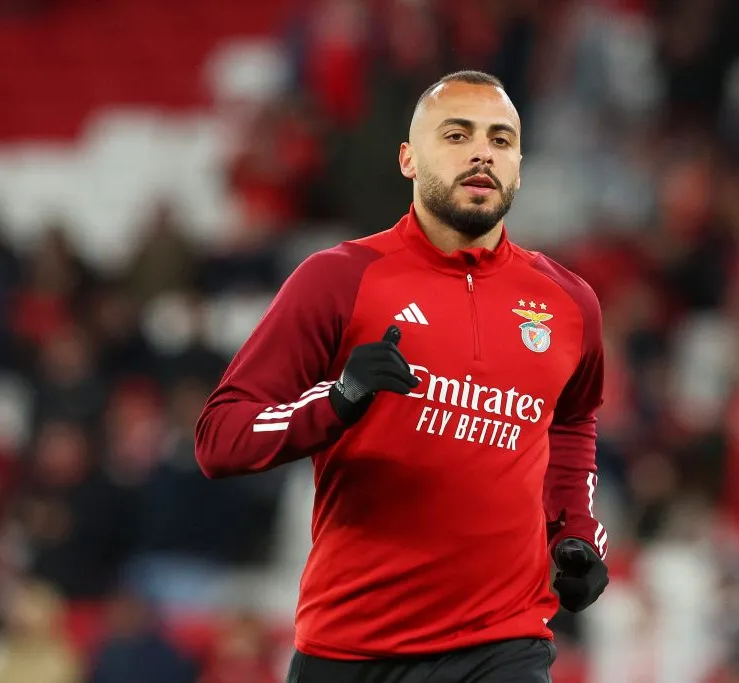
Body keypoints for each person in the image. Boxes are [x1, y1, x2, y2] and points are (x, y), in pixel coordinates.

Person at [195, 70, 610, 683]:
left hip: (504, 645)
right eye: (457, 134)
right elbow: (219, 438)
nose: (480, 153)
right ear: (408, 159)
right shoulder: (337, 279)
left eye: (500, 140)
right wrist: (336, 401)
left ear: (519, 166)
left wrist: (573, 527)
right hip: (351, 650)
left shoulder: (570, 303)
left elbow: (572, 419)